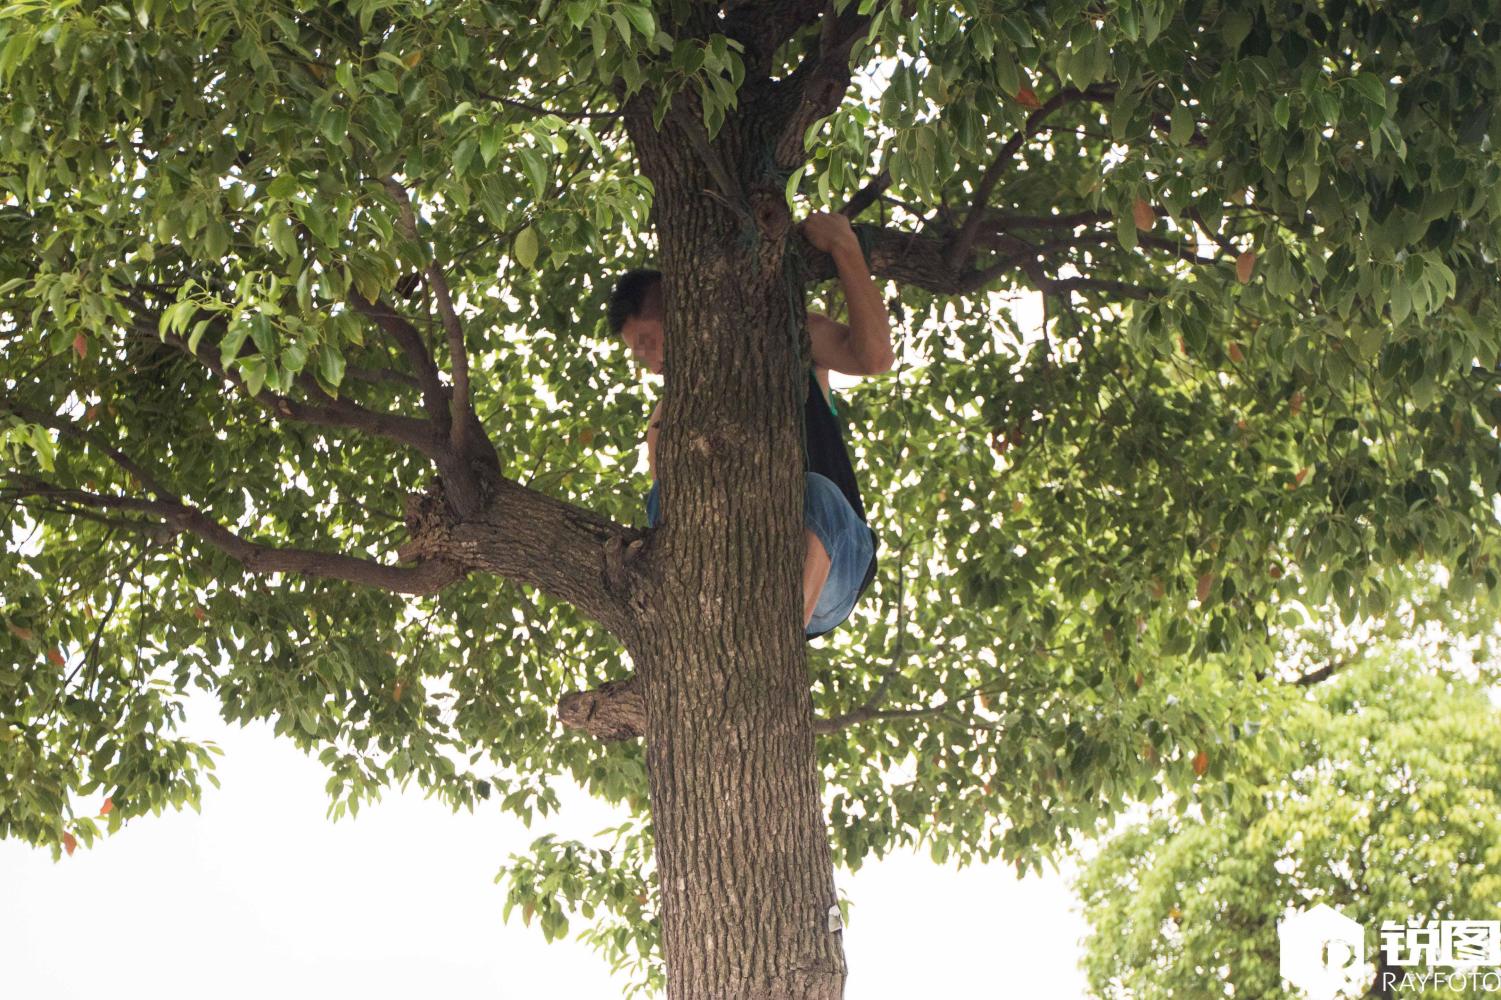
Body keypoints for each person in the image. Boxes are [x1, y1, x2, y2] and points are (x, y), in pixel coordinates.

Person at [606, 212, 894, 639]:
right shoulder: (668, 415)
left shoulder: (787, 338)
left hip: (834, 558)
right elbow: (672, 514)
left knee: (817, 495)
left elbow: (875, 358)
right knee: (662, 497)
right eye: (638, 354)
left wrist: (844, 247)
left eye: (648, 342)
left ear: (681, 307)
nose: (651, 364)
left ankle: (776, 643)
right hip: (743, 572)